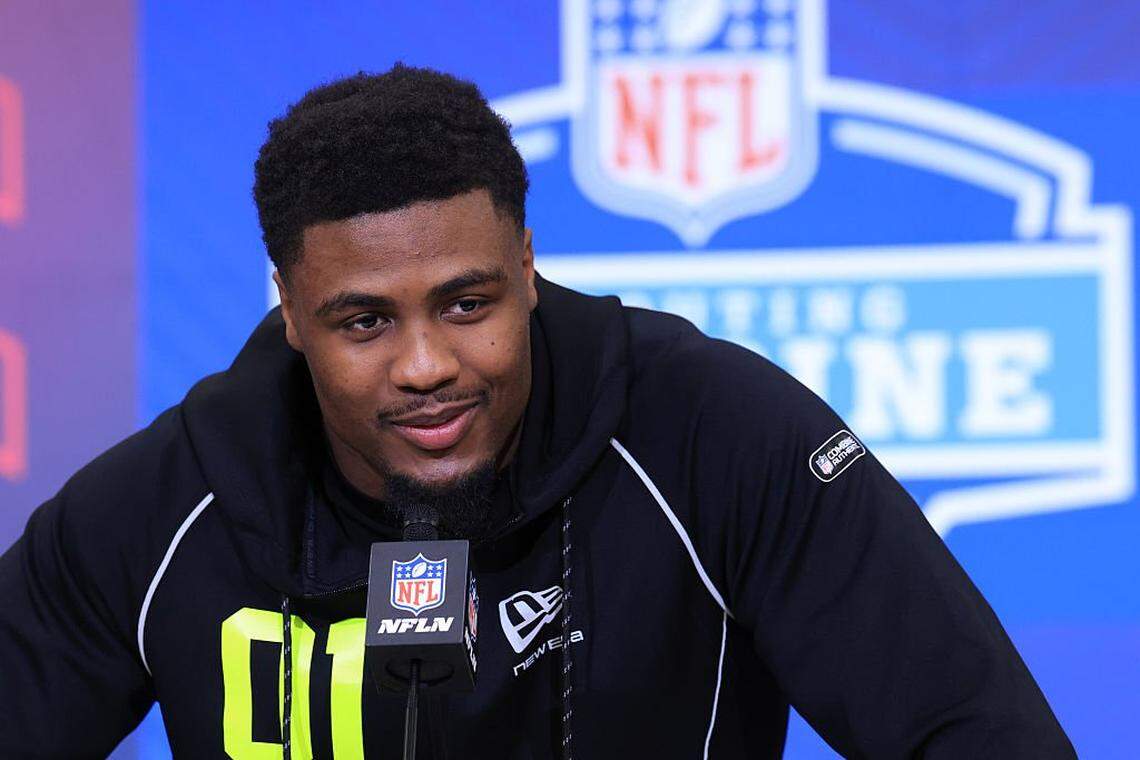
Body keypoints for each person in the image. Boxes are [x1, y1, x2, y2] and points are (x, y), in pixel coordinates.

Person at [0, 64, 1075, 759]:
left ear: (527, 265)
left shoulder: (717, 434)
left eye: (467, 303)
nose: (426, 366)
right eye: (363, 322)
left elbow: (976, 732)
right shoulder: (166, 507)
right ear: (290, 315)